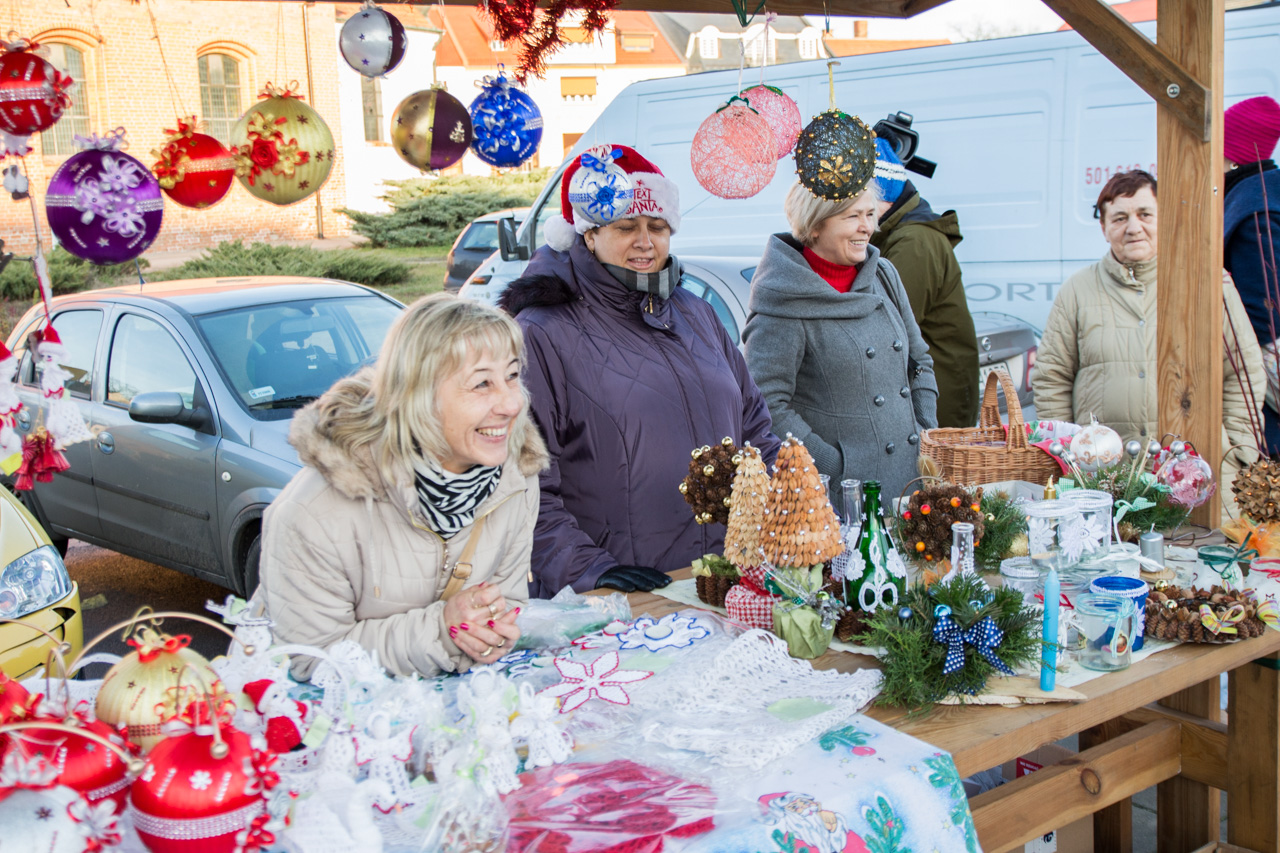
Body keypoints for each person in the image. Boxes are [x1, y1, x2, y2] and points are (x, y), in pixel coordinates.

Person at [499, 144, 778, 598]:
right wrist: (590, 569)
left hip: (729, 579)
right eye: (626, 226)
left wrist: (780, 513)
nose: (645, 241)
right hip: (625, 596)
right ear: (588, 235)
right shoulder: (542, 332)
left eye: (658, 226)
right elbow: (522, 482)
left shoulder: (698, 315)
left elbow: (755, 428)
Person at [255, 294, 548, 678]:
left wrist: (491, 629)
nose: (511, 404)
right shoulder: (313, 511)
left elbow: (506, 605)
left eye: (511, 376)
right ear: (418, 396)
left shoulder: (516, 478)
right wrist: (444, 632)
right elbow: (311, 660)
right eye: (481, 384)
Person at [1034, 170, 1264, 485]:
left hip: (1200, 476)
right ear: (1103, 228)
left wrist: (1239, 448)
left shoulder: (1208, 283)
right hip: (1106, 478)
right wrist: (1066, 457)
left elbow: (1243, 369)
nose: (1133, 228)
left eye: (1145, 214)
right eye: (1119, 218)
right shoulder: (1077, 291)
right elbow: (1051, 379)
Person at [743, 179, 939, 503]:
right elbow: (765, 404)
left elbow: (919, 362)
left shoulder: (884, 275)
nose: (867, 228)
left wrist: (925, 432)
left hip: (911, 478)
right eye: (852, 217)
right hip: (843, 498)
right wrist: (834, 465)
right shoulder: (783, 297)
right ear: (815, 224)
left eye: (870, 214)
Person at [869, 139, 980, 428]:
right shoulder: (905, 234)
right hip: (937, 396)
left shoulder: (913, 243)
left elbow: (886, 332)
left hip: (937, 408)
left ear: (878, 196)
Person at [1223, 95, 1280, 451]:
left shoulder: (1253, 209)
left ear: (1233, 156)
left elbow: (1265, 312)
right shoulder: (1263, 194)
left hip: (1264, 384)